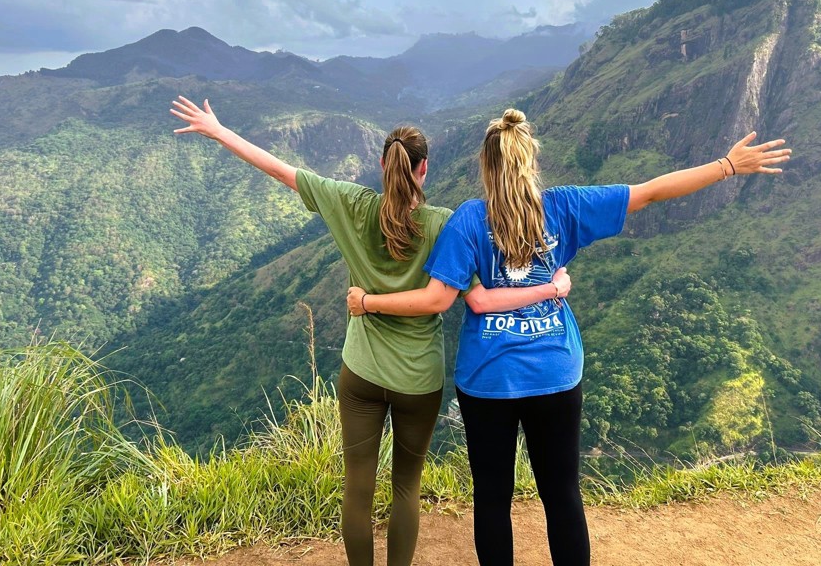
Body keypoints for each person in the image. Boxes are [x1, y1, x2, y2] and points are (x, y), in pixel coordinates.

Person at [348, 108, 791, 566]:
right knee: (561, 496)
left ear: (486, 165)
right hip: (555, 372)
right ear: (530, 163)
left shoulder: (468, 220)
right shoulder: (563, 207)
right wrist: (727, 166)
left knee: (493, 500)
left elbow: (439, 297)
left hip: (488, 379)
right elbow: (651, 193)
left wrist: (368, 302)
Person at [169, 97, 572, 566]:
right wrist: (550, 286)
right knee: (406, 487)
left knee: (357, 487)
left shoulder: (353, 206)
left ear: (383, 165)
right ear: (423, 170)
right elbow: (481, 295)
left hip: (361, 373)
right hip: (418, 379)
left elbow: (281, 170)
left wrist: (219, 131)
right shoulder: (446, 225)